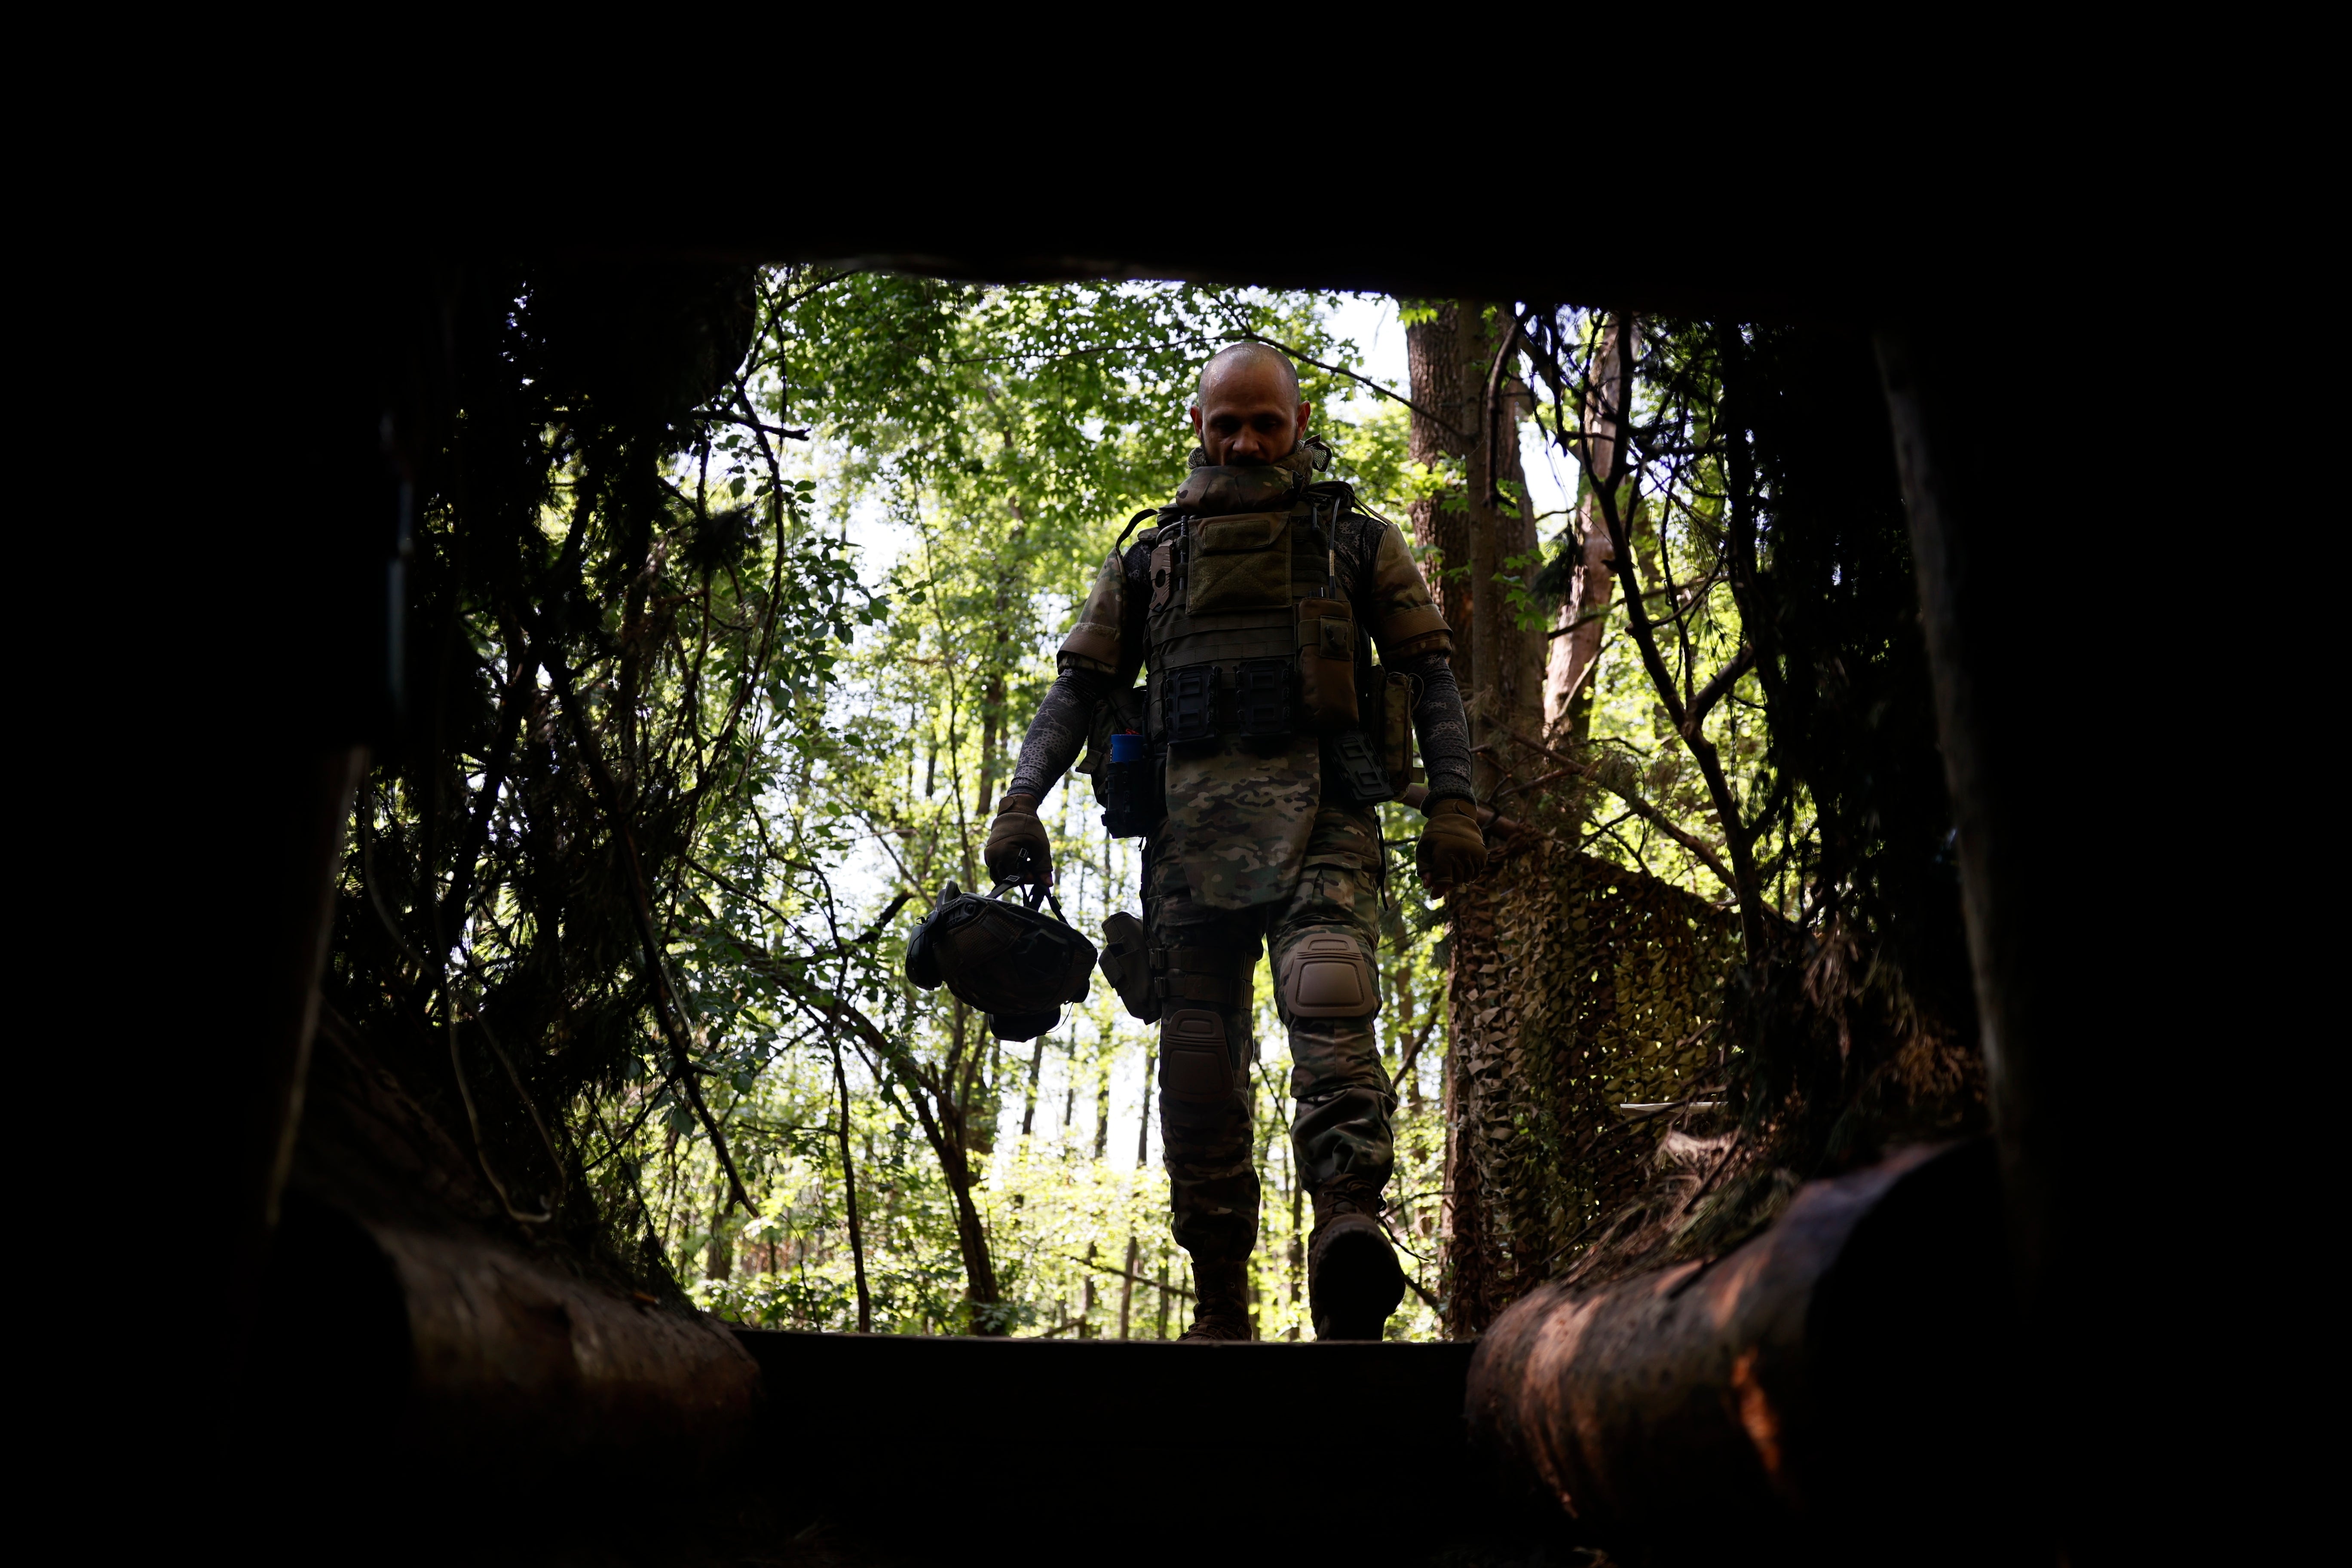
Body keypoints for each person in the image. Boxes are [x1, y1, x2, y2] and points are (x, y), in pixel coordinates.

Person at [983, 343, 1485, 1340]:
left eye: (1266, 422)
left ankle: (1349, 1228)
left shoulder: (1355, 538)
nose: (1247, 441)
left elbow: (1430, 675)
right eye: (1228, 423)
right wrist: (1019, 799)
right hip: (1184, 838)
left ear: (1298, 424)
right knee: (1200, 1059)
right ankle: (1218, 1293)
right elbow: (1078, 691)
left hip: (1328, 821)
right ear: (1200, 427)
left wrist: (1453, 803)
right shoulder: (1149, 559)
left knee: (1331, 1001)